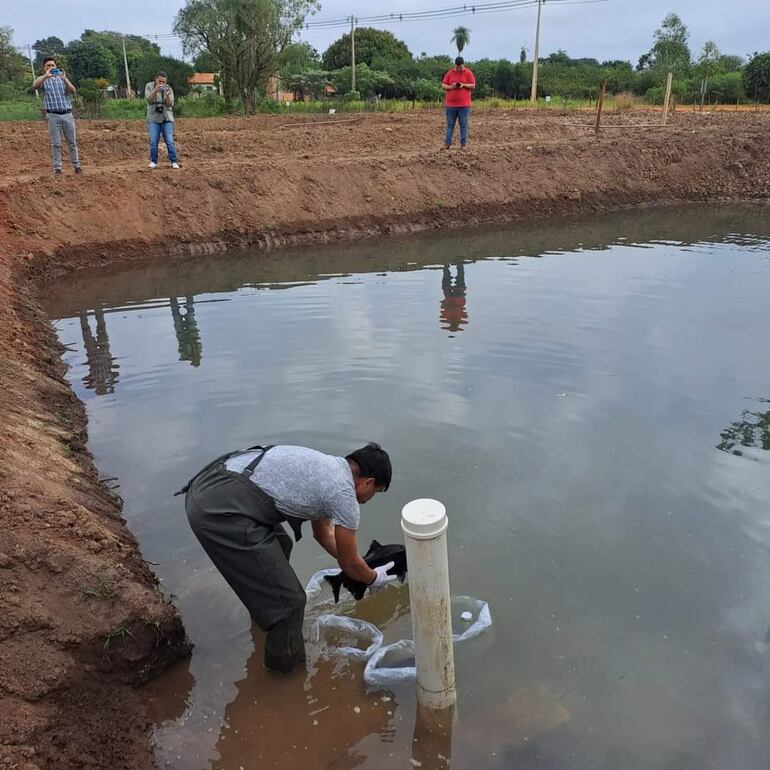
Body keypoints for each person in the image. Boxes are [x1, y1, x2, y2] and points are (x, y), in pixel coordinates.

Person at [179, 442, 396, 674]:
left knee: (281, 544)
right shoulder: (344, 495)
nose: (369, 498)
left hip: (212, 484)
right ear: (369, 482)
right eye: (376, 492)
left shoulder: (329, 468)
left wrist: (360, 567)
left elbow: (323, 535)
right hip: (219, 509)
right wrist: (372, 578)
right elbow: (348, 562)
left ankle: (266, 620)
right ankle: (285, 680)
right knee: (290, 605)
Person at [33, 57, 82, 176]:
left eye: (52, 66)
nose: (51, 68)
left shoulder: (62, 79)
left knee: (72, 142)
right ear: (44, 68)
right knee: (56, 143)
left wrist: (65, 79)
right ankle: (58, 168)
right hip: (53, 115)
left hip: (67, 114)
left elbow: (73, 90)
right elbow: (35, 85)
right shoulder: (44, 81)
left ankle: (76, 166)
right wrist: (46, 76)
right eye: (48, 66)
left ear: (56, 67)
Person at [145, 71, 180, 169]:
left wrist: (167, 95)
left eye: (163, 82)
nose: (161, 84)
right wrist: (155, 91)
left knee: (169, 140)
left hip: (166, 118)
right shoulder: (149, 86)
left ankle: (174, 161)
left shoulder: (168, 89)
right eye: (160, 81)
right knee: (153, 141)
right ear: (156, 79)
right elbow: (149, 100)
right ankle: (153, 161)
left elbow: (170, 104)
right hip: (154, 118)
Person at [441, 56, 476, 150]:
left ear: (463, 65)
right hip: (451, 105)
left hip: (464, 106)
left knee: (463, 125)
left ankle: (463, 145)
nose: (458, 69)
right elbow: (443, 85)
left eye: (460, 67)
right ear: (455, 65)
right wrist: (451, 87)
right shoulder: (450, 73)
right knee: (450, 124)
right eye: (457, 67)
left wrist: (463, 85)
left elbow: (473, 85)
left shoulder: (468, 73)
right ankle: (447, 144)